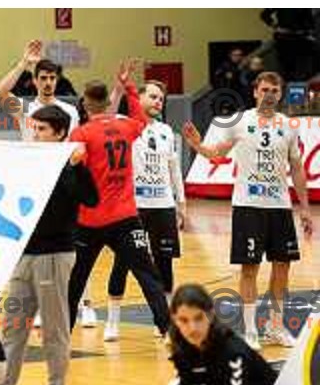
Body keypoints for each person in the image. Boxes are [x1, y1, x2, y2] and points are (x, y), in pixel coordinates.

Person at [183, 71, 313, 349]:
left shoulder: (289, 126)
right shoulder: (240, 122)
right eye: (264, 89)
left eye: (274, 91)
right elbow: (217, 153)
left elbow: (297, 168)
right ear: (255, 92)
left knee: (282, 267)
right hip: (248, 206)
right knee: (250, 268)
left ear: (280, 94)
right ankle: (251, 329)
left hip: (279, 206)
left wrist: (304, 208)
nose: (269, 95)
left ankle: (275, 327)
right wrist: (197, 145)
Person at [0, 106, 98, 385]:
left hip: (54, 256)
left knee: (54, 332)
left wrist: (74, 168)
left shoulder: (72, 165)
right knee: (13, 328)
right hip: (24, 255)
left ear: (59, 134)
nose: (35, 134)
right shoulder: (29, 164)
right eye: (34, 129)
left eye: (42, 130)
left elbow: (91, 199)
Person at [67, 75, 170, 338]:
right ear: (106, 102)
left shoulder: (81, 133)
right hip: (125, 218)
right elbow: (140, 118)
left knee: (75, 281)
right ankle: (168, 331)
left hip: (90, 221)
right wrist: (130, 89)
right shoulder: (127, 128)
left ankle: (62, 336)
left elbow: (76, 173)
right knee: (148, 276)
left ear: (86, 104)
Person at [103, 80, 186, 342]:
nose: (157, 102)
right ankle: (113, 322)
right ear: (138, 99)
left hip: (163, 206)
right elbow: (106, 114)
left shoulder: (166, 132)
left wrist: (181, 202)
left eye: (161, 98)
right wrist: (120, 88)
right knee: (123, 263)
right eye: (152, 96)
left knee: (164, 263)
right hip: (132, 208)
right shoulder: (124, 127)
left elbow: (174, 170)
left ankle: (164, 320)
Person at [168, 284, 277, 385]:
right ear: (174, 319)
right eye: (183, 320)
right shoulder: (182, 348)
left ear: (210, 315)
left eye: (198, 318)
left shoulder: (233, 351)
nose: (192, 328)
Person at [0, 40, 80, 139]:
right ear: (34, 81)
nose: (48, 83)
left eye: (52, 78)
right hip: (31, 154)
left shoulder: (70, 111)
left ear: (57, 81)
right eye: (43, 78)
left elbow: (73, 143)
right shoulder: (25, 108)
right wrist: (24, 63)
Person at [261, 8, 319, 82]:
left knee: (299, 70)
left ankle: (295, 87)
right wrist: (275, 26)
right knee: (288, 70)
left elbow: (309, 21)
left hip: (300, 39)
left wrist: (310, 33)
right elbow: (264, 15)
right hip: (286, 39)